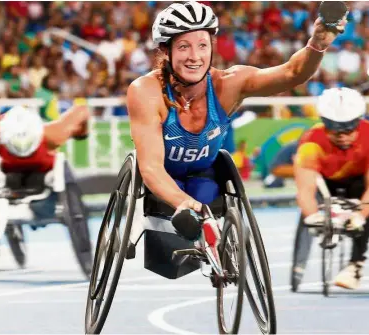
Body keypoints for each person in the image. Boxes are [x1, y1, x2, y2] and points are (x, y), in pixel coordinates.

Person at [126, 1, 346, 243]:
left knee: (206, 192)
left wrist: (317, 45)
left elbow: (292, 73)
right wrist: (185, 203)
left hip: (204, 175)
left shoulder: (228, 84)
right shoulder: (146, 91)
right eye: (183, 47)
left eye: (202, 46)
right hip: (163, 181)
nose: (194, 57)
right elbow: (151, 169)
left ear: (212, 47)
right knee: (183, 206)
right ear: (166, 51)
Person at [0, 103, 93, 275]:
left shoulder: (53, 133)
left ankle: (85, 251)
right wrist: (83, 132)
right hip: (11, 182)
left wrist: (82, 131)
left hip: (45, 182)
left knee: (62, 168)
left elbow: (82, 109)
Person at [294, 87, 369, 289]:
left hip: (361, 182)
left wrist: (360, 216)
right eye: (334, 128)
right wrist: (312, 216)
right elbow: (305, 189)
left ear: (359, 120)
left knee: (362, 195)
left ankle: (356, 264)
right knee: (319, 195)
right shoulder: (311, 139)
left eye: (349, 129)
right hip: (328, 183)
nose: (342, 135)